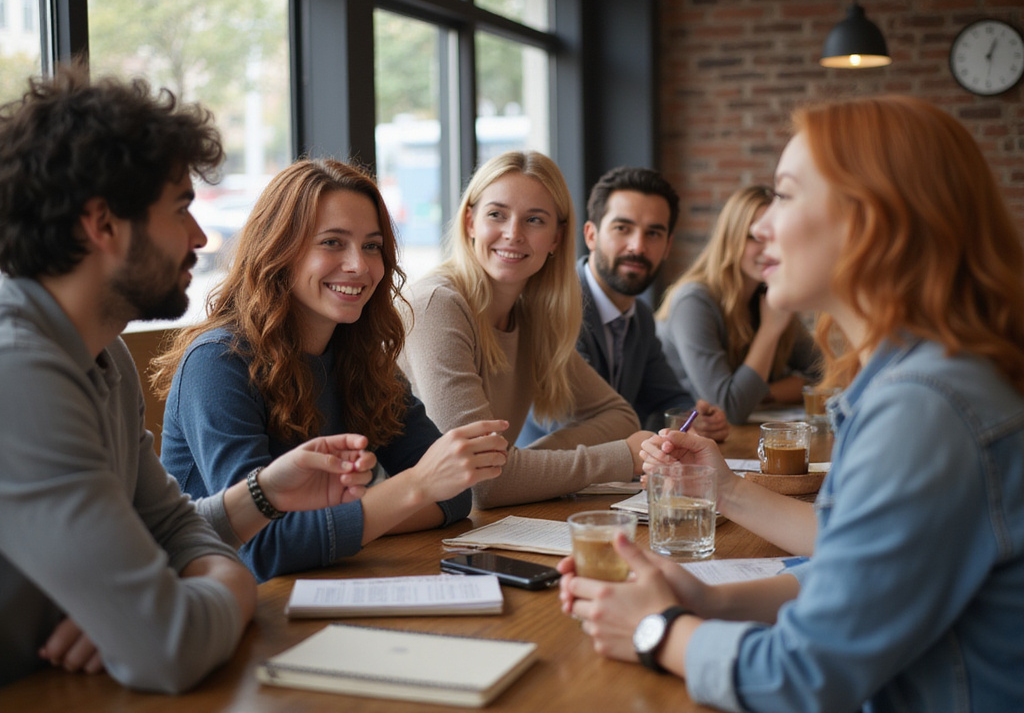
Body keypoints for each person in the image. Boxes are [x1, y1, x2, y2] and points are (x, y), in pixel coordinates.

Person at [559, 95, 1024, 712]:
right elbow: (851, 565)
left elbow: (808, 676)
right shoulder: (926, 375)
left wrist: (657, 631)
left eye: (784, 195)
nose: (760, 229)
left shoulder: (926, 406)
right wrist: (706, 598)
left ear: (872, 221)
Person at [0, 66, 375, 691]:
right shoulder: (19, 374)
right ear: (103, 224)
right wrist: (230, 583)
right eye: (180, 210)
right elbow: (167, 644)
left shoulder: (103, 353)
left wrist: (261, 498)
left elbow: (168, 529)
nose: (200, 237)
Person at [152, 158, 508, 582]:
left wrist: (333, 527)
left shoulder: (358, 355)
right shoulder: (217, 362)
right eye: (332, 243)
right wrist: (410, 490)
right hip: (217, 603)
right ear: (279, 250)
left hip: (317, 589)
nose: (359, 265)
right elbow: (264, 546)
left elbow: (454, 496)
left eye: (372, 246)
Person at [399, 150, 647, 509]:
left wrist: (524, 464)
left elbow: (620, 417)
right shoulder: (436, 305)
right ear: (470, 222)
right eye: (496, 214)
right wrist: (621, 458)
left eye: (534, 220)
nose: (513, 234)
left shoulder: (533, 316)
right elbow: (481, 483)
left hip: (457, 524)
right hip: (394, 532)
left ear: (557, 238)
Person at [518, 166, 729, 445]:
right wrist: (664, 428)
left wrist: (695, 420)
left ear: (667, 246)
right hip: (547, 467)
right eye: (622, 228)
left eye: (653, 233)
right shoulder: (556, 307)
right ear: (591, 235)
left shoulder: (639, 315)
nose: (637, 247)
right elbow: (579, 420)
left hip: (610, 468)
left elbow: (668, 400)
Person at [656, 185, 820, 423]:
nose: (770, 249)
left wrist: (761, 393)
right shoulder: (693, 301)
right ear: (730, 239)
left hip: (732, 438)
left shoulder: (765, 296)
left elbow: (827, 374)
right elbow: (727, 408)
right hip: (673, 438)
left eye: (777, 236)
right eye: (755, 237)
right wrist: (770, 330)